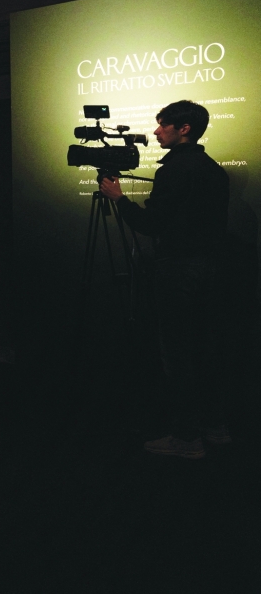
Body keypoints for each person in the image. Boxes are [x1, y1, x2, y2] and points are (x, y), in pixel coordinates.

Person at [98, 100, 230, 459]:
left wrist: (118, 199)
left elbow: (151, 225)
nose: (156, 132)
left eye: (162, 125)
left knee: (177, 354)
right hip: (211, 270)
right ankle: (214, 427)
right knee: (204, 350)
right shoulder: (214, 170)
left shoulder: (174, 170)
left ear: (183, 128)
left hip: (178, 271)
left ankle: (186, 437)